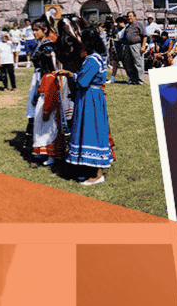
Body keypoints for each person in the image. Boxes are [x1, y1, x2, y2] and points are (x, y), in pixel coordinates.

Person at [57, 28, 113, 185]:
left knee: (91, 131)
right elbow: (82, 77)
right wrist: (70, 74)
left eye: (82, 39)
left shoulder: (92, 60)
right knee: (86, 130)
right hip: (89, 97)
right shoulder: (94, 58)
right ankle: (90, 170)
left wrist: (75, 77)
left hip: (90, 99)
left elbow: (83, 81)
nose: (79, 41)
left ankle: (97, 174)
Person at [26, 18, 65, 166]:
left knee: (48, 118)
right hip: (40, 79)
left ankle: (51, 151)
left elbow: (54, 67)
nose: (34, 33)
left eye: (37, 30)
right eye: (33, 30)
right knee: (37, 116)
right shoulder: (42, 44)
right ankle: (41, 148)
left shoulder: (49, 45)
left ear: (45, 30)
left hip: (48, 81)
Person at [121, 11, 147, 86]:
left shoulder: (139, 24)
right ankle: (132, 79)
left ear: (134, 17)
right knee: (129, 63)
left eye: (130, 16)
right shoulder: (127, 26)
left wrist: (143, 46)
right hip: (127, 46)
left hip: (136, 45)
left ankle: (140, 80)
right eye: (128, 16)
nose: (129, 18)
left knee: (138, 63)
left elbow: (145, 36)